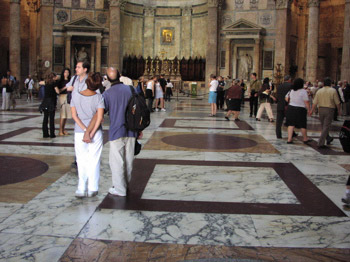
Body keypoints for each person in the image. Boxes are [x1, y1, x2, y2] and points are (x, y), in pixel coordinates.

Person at [102, 67, 139, 197]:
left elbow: (103, 111)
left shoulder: (107, 93)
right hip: (132, 129)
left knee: (117, 161)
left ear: (107, 78)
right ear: (120, 76)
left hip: (116, 129)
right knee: (129, 159)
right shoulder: (131, 89)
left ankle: (120, 189)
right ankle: (125, 185)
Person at [70, 72, 105, 198]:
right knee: (94, 160)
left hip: (79, 132)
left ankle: (80, 188)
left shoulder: (75, 96)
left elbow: (74, 116)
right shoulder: (99, 97)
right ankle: (92, 188)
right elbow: (100, 118)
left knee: (81, 159)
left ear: (86, 82)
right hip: (95, 133)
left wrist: (85, 130)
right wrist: (91, 132)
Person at [310, 77, 341, 148]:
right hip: (329, 109)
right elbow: (337, 102)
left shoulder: (319, 91)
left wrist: (311, 110)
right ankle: (320, 143)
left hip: (321, 109)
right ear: (330, 83)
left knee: (324, 125)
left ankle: (328, 138)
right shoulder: (333, 91)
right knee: (326, 126)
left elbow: (314, 102)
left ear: (323, 83)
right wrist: (339, 110)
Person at [285, 78, 311, 144]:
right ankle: (305, 138)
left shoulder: (291, 91)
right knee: (302, 124)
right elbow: (306, 101)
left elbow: (286, 98)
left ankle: (289, 139)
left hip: (291, 108)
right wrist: (309, 110)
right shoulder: (303, 91)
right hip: (300, 109)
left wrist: (292, 101)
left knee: (291, 124)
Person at [39, 72, 59, 138]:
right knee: (51, 118)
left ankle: (45, 134)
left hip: (45, 101)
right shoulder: (54, 83)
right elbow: (57, 91)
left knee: (45, 118)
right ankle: (52, 134)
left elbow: (40, 83)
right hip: (51, 102)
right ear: (53, 77)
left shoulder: (46, 83)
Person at [57, 68, 72, 136]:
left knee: (66, 115)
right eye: (65, 72)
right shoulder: (60, 81)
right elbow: (59, 91)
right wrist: (66, 87)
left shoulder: (70, 80)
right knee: (62, 115)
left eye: (68, 72)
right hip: (62, 97)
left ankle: (63, 129)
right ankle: (60, 130)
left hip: (68, 97)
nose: (66, 74)